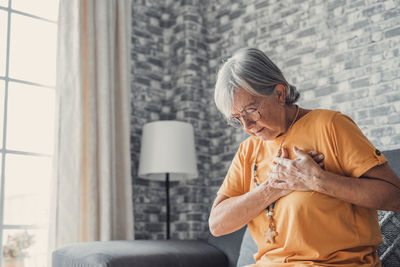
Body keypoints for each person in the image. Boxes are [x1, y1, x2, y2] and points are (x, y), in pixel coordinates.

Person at [208, 48, 400, 267]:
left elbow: (395, 197)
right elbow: (218, 224)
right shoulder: (247, 150)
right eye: (237, 119)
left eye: (251, 111)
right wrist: (273, 187)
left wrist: (317, 180)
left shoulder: (331, 125)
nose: (247, 127)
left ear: (280, 93)